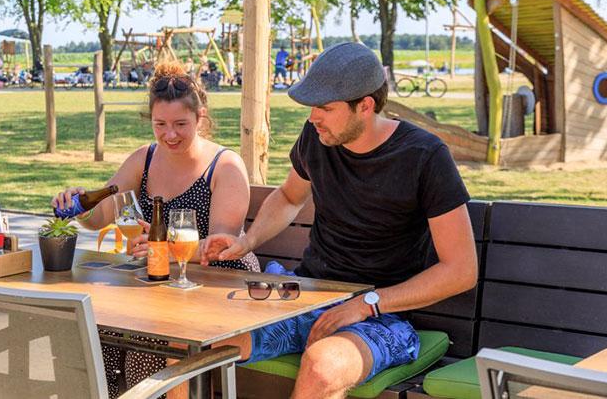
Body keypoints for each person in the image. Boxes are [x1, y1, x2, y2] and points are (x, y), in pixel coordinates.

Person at [202, 42, 477, 399]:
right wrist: (247, 241)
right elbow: (288, 197)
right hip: (309, 295)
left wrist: (368, 304)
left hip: (385, 315)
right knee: (201, 342)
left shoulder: (424, 156)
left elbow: (461, 269)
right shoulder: (318, 138)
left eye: (326, 108)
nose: (313, 117)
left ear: (365, 106)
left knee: (322, 366)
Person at [52, 60, 258, 398]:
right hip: (159, 287)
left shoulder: (225, 166)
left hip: (217, 288)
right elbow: (103, 214)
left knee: (146, 350)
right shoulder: (143, 159)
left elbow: (221, 247)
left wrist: (166, 246)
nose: (169, 134)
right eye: (160, 124)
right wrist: (79, 206)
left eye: (180, 124)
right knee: (94, 338)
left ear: (200, 117)